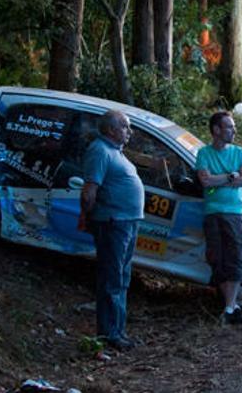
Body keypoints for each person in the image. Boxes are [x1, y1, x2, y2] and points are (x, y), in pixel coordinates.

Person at [81, 110, 145, 352]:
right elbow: (89, 191)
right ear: (110, 130)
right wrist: (88, 217)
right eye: (125, 127)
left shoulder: (114, 151)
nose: (129, 131)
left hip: (125, 222)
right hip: (112, 222)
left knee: (121, 277)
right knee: (112, 278)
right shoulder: (99, 150)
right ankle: (109, 334)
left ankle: (118, 331)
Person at [195, 111, 242, 324]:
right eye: (229, 127)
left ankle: (229, 307)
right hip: (212, 212)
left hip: (235, 212)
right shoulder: (204, 153)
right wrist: (230, 176)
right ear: (216, 130)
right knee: (217, 258)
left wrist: (218, 178)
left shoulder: (239, 153)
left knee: (236, 256)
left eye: (233, 126)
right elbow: (206, 182)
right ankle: (231, 307)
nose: (233, 130)